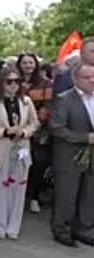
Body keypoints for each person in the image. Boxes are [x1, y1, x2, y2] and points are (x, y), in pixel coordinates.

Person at [0, 67, 40, 239]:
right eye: (9, 81)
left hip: (20, 148)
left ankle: (13, 227)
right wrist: (5, 132)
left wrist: (24, 132)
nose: (13, 85)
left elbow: (34, 123)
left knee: (18, 188)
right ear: (2, 83)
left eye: (17, 81)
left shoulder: (26, 102)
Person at [49, 63, 94, 247]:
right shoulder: (64, 99)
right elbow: (57, 128)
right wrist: (85, 138)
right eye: (87, 77)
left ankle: (84, 229)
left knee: (89, 194)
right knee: (66, 195)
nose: (92, 81)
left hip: (91, 157)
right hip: (69, 156)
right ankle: (61, 229)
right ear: (75, 79)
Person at [16, 53, 53, 213]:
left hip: (38, 132)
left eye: (31, 63)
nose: (28, 66)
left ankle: (35, 197)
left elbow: (47, 106)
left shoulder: (45, 84)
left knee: (37, 164)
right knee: (18, 162)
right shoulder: (13, 81)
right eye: (24, 63)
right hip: (16, 129)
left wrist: (34, 124)